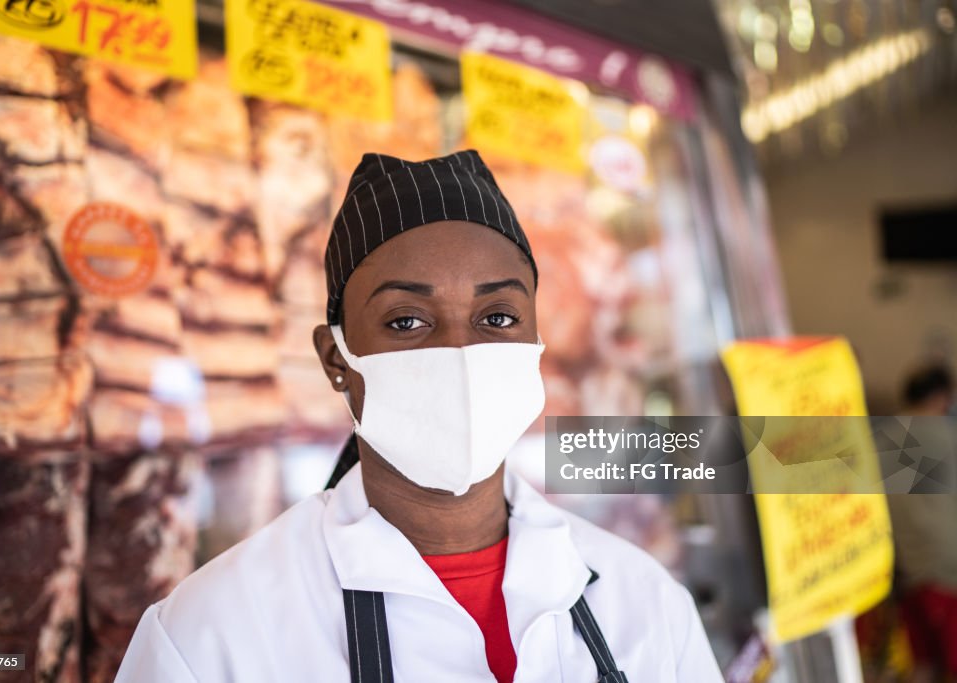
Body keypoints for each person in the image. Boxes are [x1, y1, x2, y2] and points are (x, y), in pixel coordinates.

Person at [116, 151, 723, 682]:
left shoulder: (646, 602)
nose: (460, 354)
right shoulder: (210, 636)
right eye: (406, 321)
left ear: (537, 341)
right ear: (336, 359)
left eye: (498, 318)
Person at [887, 364, 957, 683]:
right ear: (942, 397)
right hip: (948, 569)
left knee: (923, 666)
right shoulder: (946, 435)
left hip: (906, 570)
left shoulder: (884, 438)